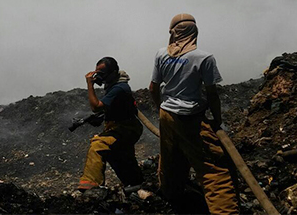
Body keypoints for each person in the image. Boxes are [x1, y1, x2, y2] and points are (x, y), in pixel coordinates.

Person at [149, 13, 238, 214]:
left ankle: (171, 194)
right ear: (194, 32)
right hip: (191, 119)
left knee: (171, 158)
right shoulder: (204, 58)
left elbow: (153, 88)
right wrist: (217, 120)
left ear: (172, 32)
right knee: (213, 168)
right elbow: (211, 93)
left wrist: (161, 108)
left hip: (167, 114)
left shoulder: (161, 54)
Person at [77, 57, 144, 191]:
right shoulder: (113, 85)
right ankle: (134, 184)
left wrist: (90, 85)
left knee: (99, 145)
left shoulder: (119, 87)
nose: (98, 77)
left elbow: (96, 106)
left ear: (113, 73)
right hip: (120, 127)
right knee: (118, 154)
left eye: (102, 74)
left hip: (126, 128)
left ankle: (90, 185)